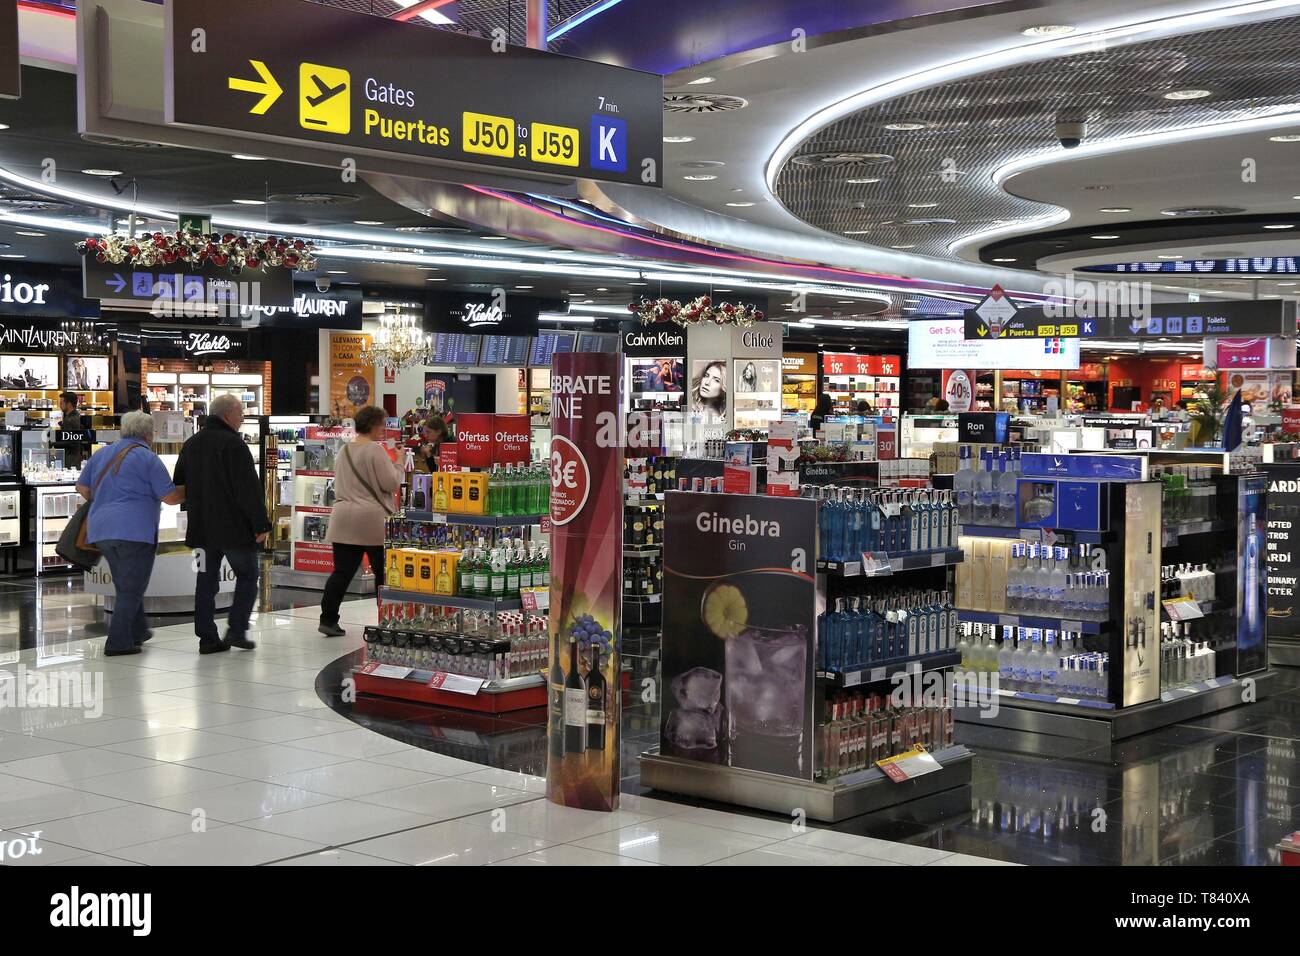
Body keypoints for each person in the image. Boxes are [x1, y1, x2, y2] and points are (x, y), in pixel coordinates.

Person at [76, 411, 184, 656]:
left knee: (125, 585)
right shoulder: (147, 458)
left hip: (100, 530)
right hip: (134, 531)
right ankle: (118, 642)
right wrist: (192, 489)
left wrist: (107, 500)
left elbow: (82, 487)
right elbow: (170, 497)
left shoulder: (102, 453)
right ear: (148, 434)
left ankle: (139, 632)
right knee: (132, 589)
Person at [173, 393, 271, 654]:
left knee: (205, 580)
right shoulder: (234, 445)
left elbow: (179, 485)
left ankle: (207, 637)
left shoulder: (191, 443)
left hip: (202, 529)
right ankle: (236, 630)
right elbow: (248, 489)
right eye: (240, 414)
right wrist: (260, 524)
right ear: (228, 415)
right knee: (248, 576)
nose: (241, 419)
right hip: (234, 530)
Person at [319, 405, 405, 637]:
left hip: (342, 516)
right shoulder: (374, 450)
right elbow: (391, 483)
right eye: (382, 425)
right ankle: (386, 619)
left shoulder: (345, 450)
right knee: (383, 572)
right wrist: (399, 461)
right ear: (375, 425)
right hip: (371, 519)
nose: (384, 430)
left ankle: (328, 619)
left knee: (342, 572)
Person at [53, 391, 89, 469]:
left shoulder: (71, 420)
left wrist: (52, 443)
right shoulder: (75, 416)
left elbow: (70, 441)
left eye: (61, 403)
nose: (60, 406)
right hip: (74, 457)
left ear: (69, 404)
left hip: (70, 459)